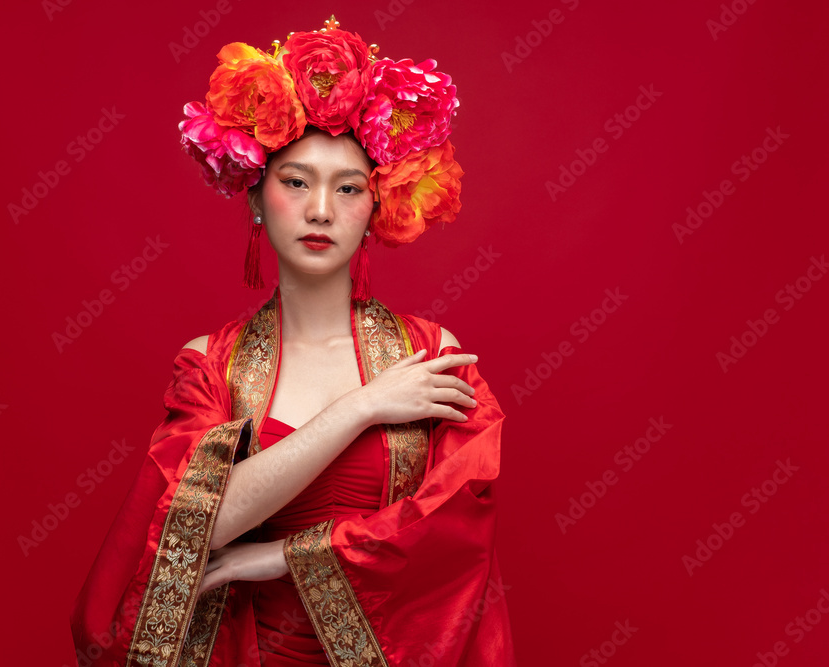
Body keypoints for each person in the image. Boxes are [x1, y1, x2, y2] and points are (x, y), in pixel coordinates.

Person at [71, 16, 515, 667]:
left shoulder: (426, 353)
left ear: (377, 208)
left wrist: (280, 555)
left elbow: (450, 537)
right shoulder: (212, 364)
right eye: (296, 181)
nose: (320, 210)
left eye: (349, 188)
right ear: (256, 196)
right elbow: (192, 529)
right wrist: (361, 407)